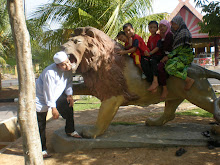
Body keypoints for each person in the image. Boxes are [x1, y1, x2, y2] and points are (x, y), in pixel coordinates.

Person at [36, 51, 81, 158]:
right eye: (63, 64)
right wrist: (53, 108)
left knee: (69, 107)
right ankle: (42, 150)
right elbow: (48, 91)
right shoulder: (50, 73)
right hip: (41, 99)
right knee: (41, 124)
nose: (66, 65)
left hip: (57, 94)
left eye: (67, 62)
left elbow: (69, 82)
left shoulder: (68, 69)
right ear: (57, 65)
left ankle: (70, 130)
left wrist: (69, 95)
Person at [165, 15, 194, 91]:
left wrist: (168, 56)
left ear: (180, 23)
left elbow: (179, 49)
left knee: (169, 67)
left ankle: (188, 80)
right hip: (178, 55)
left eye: (175, 24)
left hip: (185, 56)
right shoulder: (176, 33)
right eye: (172, 24)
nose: (173, 26)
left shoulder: (184, 33)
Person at [141, 21, 162, 92]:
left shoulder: (158, 37)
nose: (152, 29)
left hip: (157, 55)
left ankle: (155, 81)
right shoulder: (150, 38)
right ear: (148, 28)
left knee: (153, 61)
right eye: (150, 27)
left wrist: (150, 53)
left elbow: (157, 47)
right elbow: (148, 47)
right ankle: (150, 79)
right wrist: (146, 52)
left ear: (157, 29)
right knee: (143, 60)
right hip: (152, 55)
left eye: (154, 27)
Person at [157, 20, 174, 100]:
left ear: (167, 26)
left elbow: (168, 48)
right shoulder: (162, 36)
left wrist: (167, 56)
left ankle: (165, 89)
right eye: (160, 27)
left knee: (160, 67)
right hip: (163, 56)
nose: (161, 28)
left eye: (163, 26)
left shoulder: (169, 35)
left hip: (170, 56)